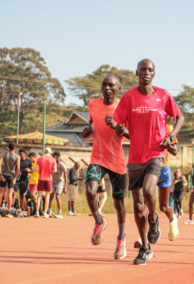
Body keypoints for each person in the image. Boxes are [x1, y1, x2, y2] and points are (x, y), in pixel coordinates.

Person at [113, 59, 184, 265]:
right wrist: (118, 128)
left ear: (154, 74)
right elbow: (119, 122)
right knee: (137, 205)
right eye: (142, 69)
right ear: (137, 72)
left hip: (156, 153)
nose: (146, 72)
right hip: (135, 156)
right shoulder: (129, 97)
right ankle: (145, 248)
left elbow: (179, 117)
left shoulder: (163, 95)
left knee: (149, 189)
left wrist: (171, 137)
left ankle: (153, 220)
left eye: (150, 70)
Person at [82, 75, 129, 260]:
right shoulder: (93, 104)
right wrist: (87, 132)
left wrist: (118, 126)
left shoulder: (123, 108)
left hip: (117, 161)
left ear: (118, 89)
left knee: (119, 203)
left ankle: (121, 238)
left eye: (111, 85)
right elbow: (91, 126)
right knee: (89, 189)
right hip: (98, 158)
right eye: (104, 85)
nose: (107, 88)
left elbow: (130, 134)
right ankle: (99, 222)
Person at [157, 124, 179, 241]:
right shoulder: (144, 124)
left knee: (163, 206)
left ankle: (173, 220)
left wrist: (167, 145)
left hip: (163, 169)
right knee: (144, 203)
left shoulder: (169, 129)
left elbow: (175, 151)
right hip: (146, 167)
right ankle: (149, 232)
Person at [0, 142, 20, 217]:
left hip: (4, 175)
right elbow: (18, 168)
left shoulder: (4, 155)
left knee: (1, 193)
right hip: (11, 175)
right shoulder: (17, 156)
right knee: (10, 193)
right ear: (15, 148)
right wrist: (15, 177)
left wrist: (1, 175)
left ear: (8, 148)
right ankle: (9, 211)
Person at [35, 147, 56, 218]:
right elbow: (55, 170)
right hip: (48, 179)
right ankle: (44, 212)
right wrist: (50, 171)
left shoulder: (39, 158)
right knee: (47, 196)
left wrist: (42, 171)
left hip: (41, 178)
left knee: (39, 196)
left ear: (44, 152)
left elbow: (37, 170)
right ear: (50, 152)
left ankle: (37, 212)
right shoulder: (53, 159)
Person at [48, 151, 67, 218]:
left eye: (53, 156)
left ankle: (59, 211)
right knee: (51, 196)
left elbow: (65, 176)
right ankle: (49, 211)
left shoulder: (62, 165)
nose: (52, 157)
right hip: (52, 182)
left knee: (57, 196)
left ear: (57, 157)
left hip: (60, 182)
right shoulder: (52, 163)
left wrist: (65, 187)